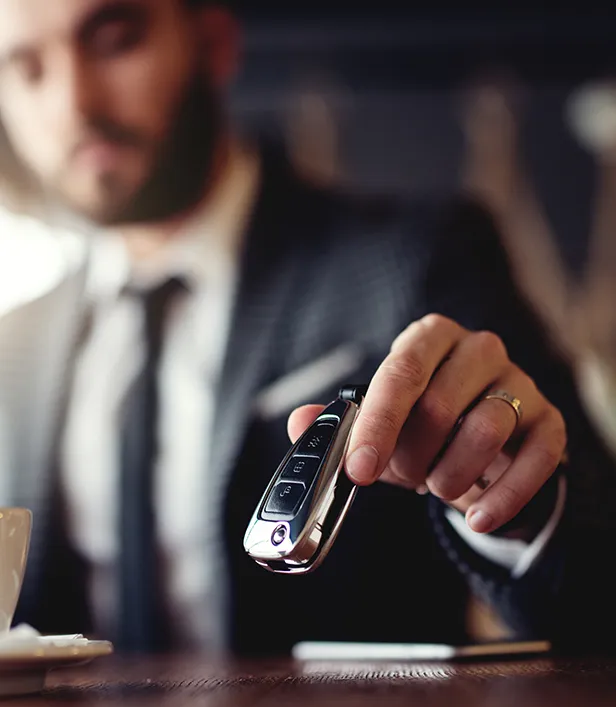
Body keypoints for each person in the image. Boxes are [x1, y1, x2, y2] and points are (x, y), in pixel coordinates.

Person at [0, 0, 613, 656]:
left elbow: (600, 566)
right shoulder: (16, 346)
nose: (74, 102)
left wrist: (524, 512)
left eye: (116, 41)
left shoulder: (418, 258)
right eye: (26, 67)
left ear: (212, 43)